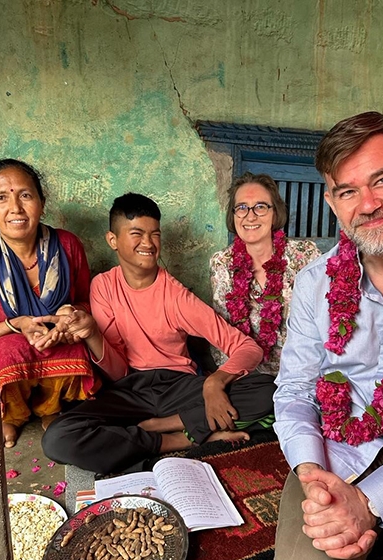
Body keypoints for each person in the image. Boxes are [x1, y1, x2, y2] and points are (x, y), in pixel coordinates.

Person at [272, 111, 383, 560]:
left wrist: (375, 501)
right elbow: (294, 388)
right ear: (331, 203)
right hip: (340, 446)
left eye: (382, 179)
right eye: (347, 191)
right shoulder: (316, 283)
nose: (368, 204)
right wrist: (313, 473)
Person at [38, 193, 276, 475]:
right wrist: (91, 332)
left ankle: (161, 427)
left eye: (155, 234)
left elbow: (248, 348)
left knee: (270, 392)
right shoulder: (103, 286)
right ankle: (175, 439)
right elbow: (117, 373)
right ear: (113, 240)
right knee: (58, 438)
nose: (149, 244)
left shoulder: (176, 296)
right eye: (137, 234)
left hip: (178, 388)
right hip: (128, 391)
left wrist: (215, 382)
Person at [0, 159, 100, 448]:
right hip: (5, 336)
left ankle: (51, 408)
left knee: (73, 347)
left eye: (25, 195)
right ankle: (11, 416)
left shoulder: (67, 244)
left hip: (56, 335)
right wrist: (17, 324)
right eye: (2, 198)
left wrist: (68, 314)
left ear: (41, 202)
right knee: (8, 353)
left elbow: (86, 300)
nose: (15, 207)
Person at [210, 172, 320, 376]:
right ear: (233, 216)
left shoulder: (304, 256)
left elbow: (324, 321)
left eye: (260, 206)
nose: (250, 216)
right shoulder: (222, 263)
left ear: (275, 213)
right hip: (248, 378)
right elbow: (222, 336)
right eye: (241, 208)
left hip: (303, 373)